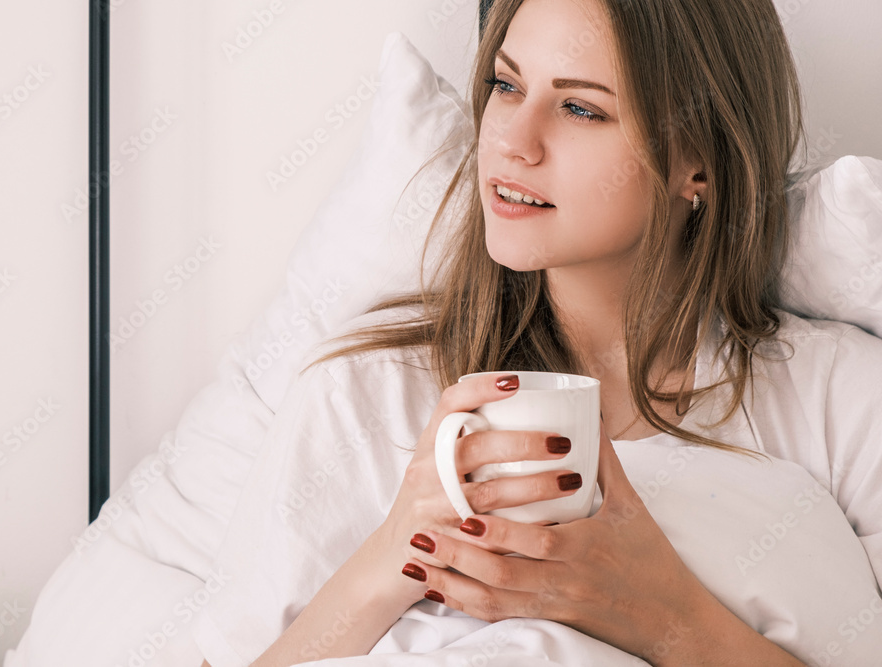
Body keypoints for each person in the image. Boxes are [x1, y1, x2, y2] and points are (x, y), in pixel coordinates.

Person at [197, 0, 882, 664]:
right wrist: (392, 557)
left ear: (694, 163)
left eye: (580, 107)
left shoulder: (843, 401)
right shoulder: (362, 397)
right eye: (506, 84)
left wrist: (663, 614)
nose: (510, 142)